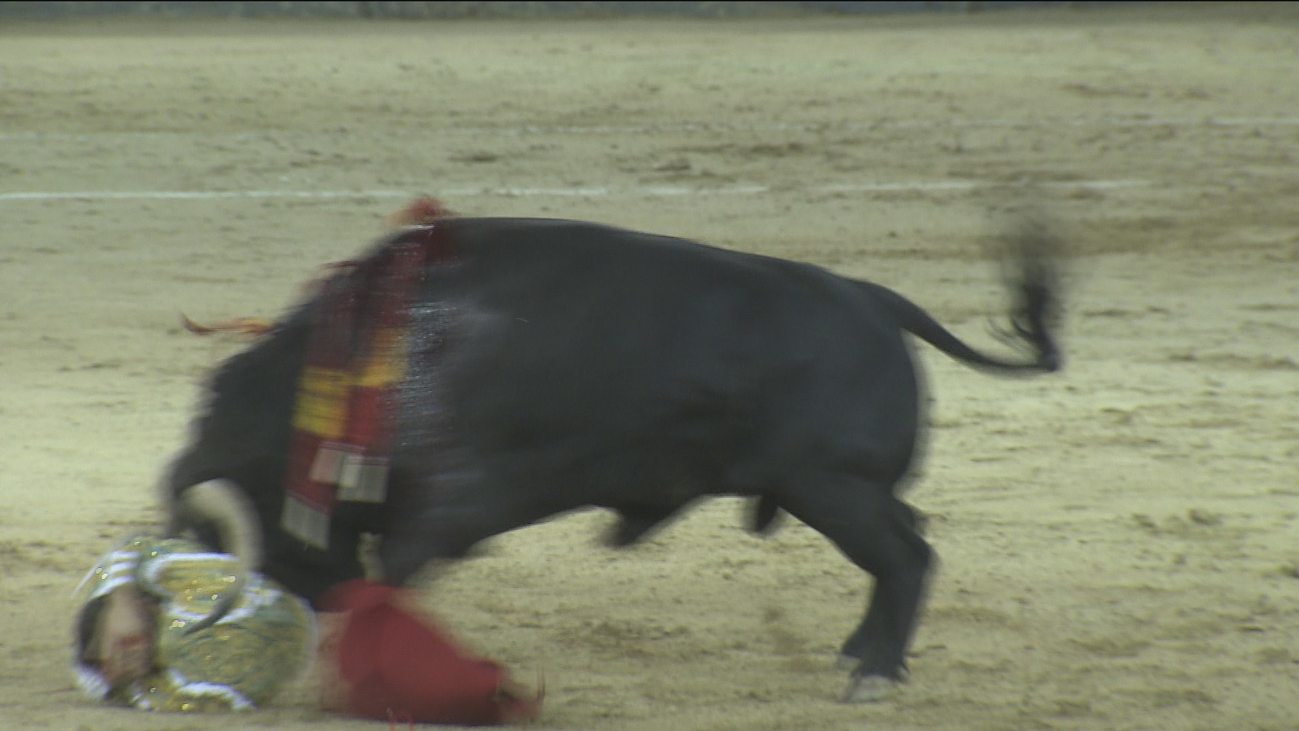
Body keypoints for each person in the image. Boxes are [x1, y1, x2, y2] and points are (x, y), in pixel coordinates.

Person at [72, 534, 315, 711]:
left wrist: (121, 600)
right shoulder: (181, 655)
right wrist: (122, 600)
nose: (130, 650)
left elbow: (131, 547)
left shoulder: (170, 669)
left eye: (125, 641)